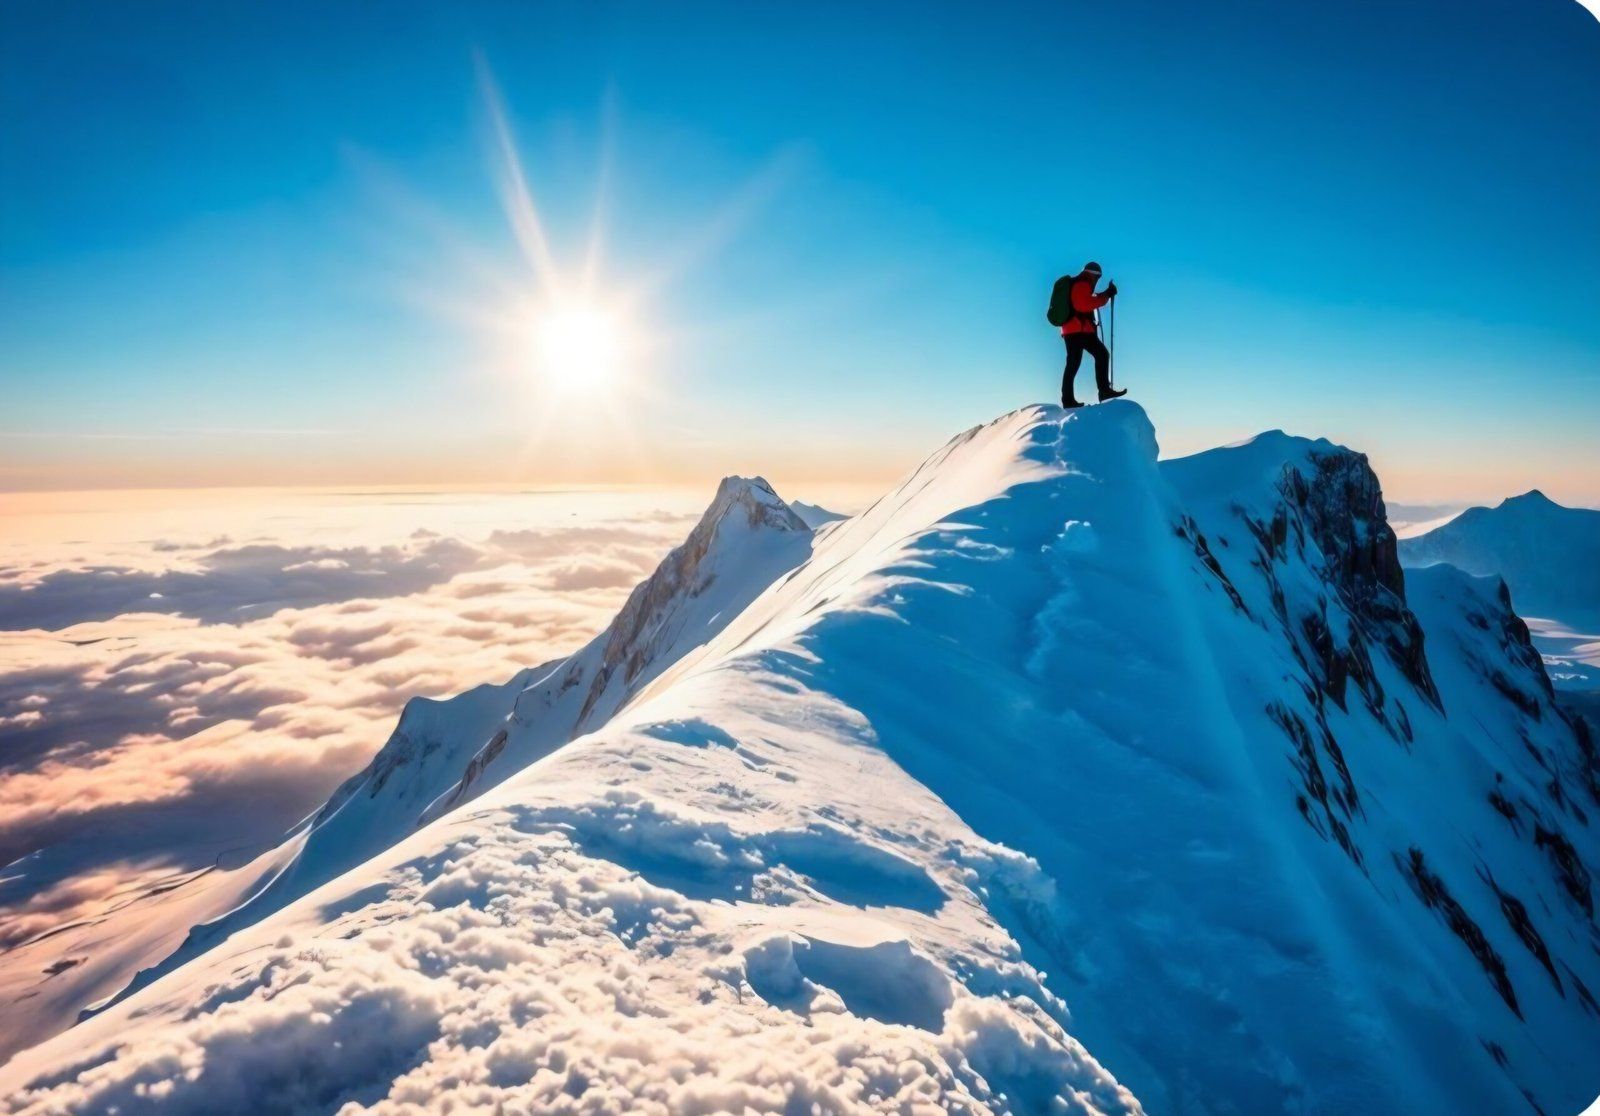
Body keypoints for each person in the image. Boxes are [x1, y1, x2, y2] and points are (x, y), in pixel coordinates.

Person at [1047, 261, 1126, 408]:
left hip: (1071, 330)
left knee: (1074, 363)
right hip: (1080, 329)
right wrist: (1106, 296)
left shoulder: (1078, 283)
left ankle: (1068, 400)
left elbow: (1086, 300)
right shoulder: (1083, 283)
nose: (1097, 280)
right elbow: (1084, 304)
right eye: (1098, 277)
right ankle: (1103, 391)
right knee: (1100, 355)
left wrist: (1105, 294)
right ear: (1093, 274)